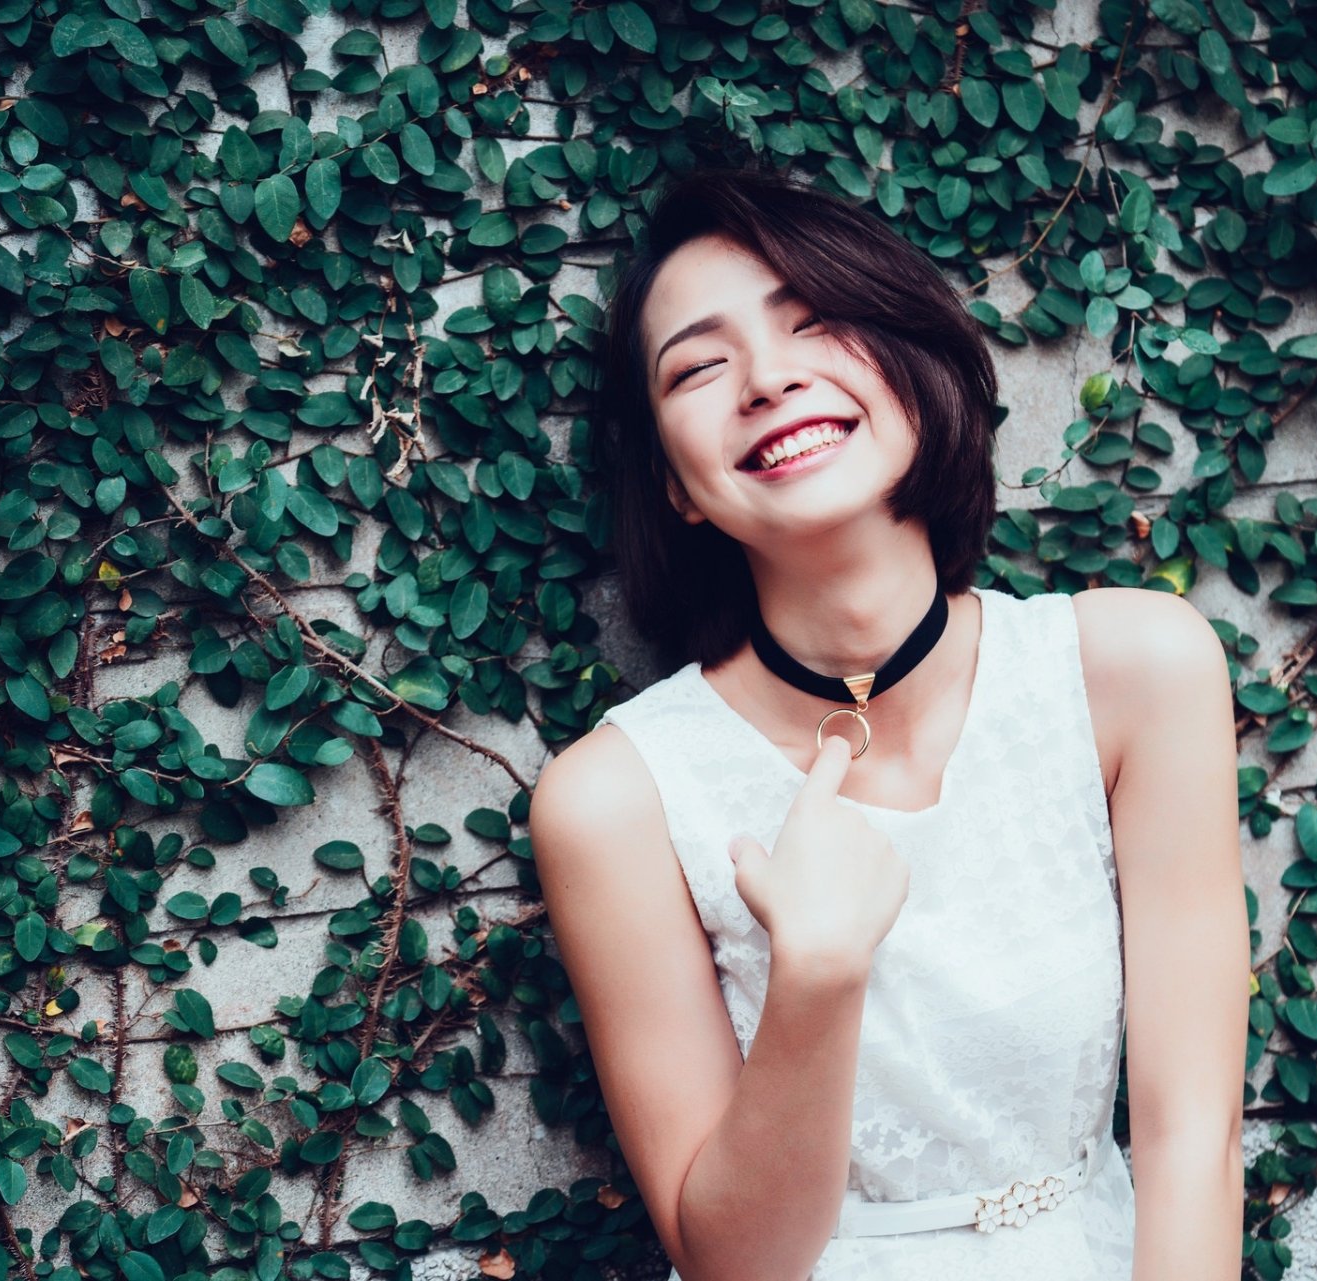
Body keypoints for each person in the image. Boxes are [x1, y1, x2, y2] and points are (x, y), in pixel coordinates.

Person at [528, 166, 1248, 1281]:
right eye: (700, 368)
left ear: (910, 365)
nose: (767, 378)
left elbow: (1191, 1140)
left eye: (814, 322)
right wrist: (813, 976)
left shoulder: (1135, 669)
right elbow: (734, 1265)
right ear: (673, 483)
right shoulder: (614, 799)